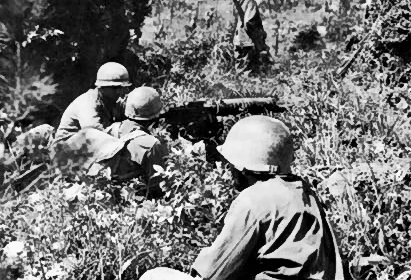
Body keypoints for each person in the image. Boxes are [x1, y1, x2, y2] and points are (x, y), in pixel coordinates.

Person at [140, 115, 344, 280]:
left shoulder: (255, 200)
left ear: (242, 167)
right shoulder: (303, 191)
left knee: (154, 276)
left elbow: (213, 273)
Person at [87, 86, 167, 197]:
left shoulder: (111, 129)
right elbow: (160, 186)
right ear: (155, 116)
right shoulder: (150, 144)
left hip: (101, 194)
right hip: (133, 201)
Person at [51, 62, 131, 166]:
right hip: (64, 154)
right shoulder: (88, 102)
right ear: (102, 87)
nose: (119, 92)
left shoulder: (111, 101)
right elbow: (92, 132)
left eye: (121, 88)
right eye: (115, 88)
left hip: (84, 153)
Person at [234, 0, 271, 74]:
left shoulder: (241, 1)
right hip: (247, 41)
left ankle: (237, 86)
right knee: (248, 71)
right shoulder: (251, 3)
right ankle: (244, 87)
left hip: (239, 39)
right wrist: (258, 36)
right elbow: (249, 22)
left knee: (240, 68)